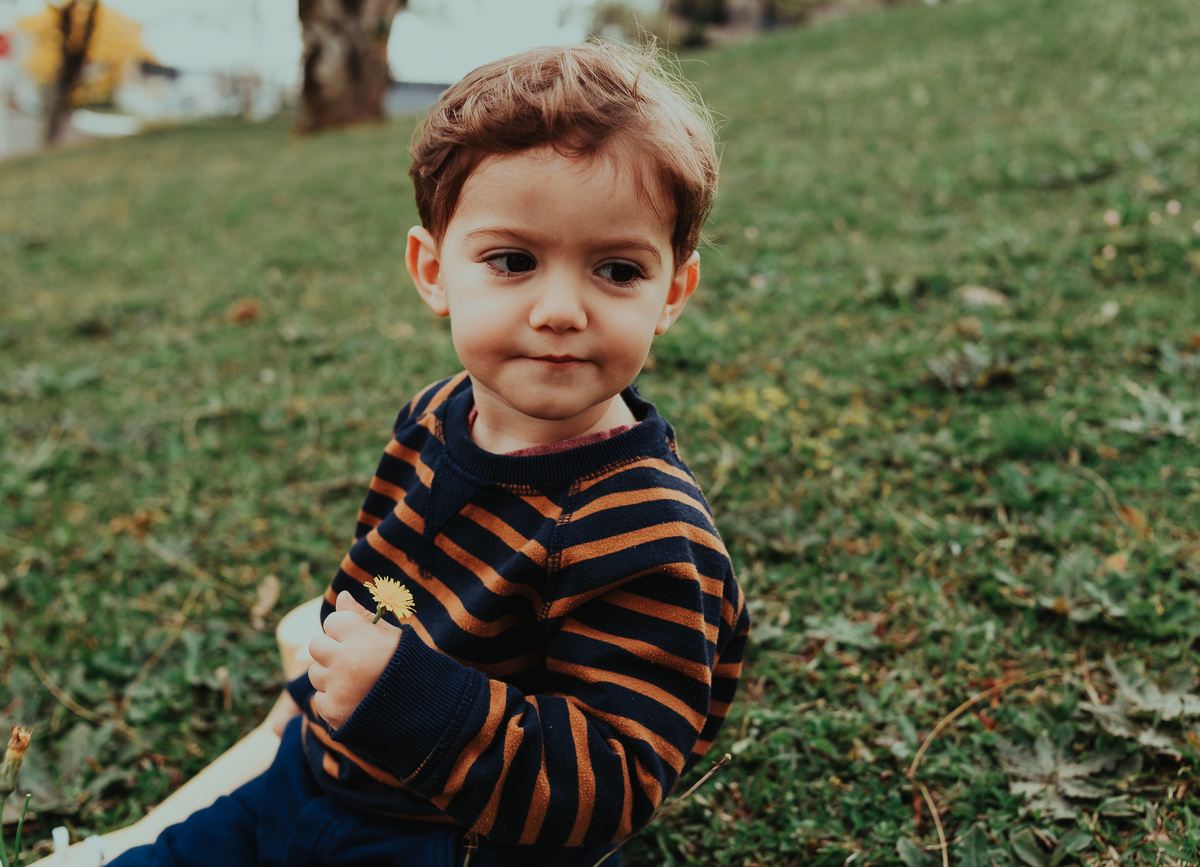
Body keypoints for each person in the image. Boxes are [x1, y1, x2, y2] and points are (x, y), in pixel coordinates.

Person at [111, 39, 749, 867]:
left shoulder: (648, 529)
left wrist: (407, 697)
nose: (560, 309)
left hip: (457, 841)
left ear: (672, 292)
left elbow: (617, 780)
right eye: (512, 261)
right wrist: (314, 699)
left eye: (617, 269)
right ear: (433, 269)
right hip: (314, 780)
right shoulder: (434, 416)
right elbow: (373, 586)